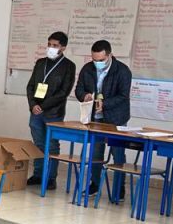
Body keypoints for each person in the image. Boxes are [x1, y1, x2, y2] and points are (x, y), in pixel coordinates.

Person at [75, 39, 132, 196]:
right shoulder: (87, 69)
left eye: (101, 60)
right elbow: (78, 88)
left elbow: (123, 95)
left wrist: (105, 103)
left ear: (109, 55)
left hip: (116, 119)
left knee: (117, 152)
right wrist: (84, 95)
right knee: (95, 152)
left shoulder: (122, 71)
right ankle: (94, 183)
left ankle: (119, 188)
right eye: (94, 60)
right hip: (95, 118)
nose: (97, 63)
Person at [26, 31, 77, 190]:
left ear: (63, 47)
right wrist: (33, 104)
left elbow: (64, 92)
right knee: (38, 144)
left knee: (52, 145)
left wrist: (44, 106)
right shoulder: (41, 63)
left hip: (53, 112)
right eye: (49, 44)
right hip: (35, 111)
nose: (51, 48)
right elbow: (31, 86)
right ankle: (38, 174)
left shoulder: (68, 66)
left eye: (55, 45)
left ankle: (50, 178)